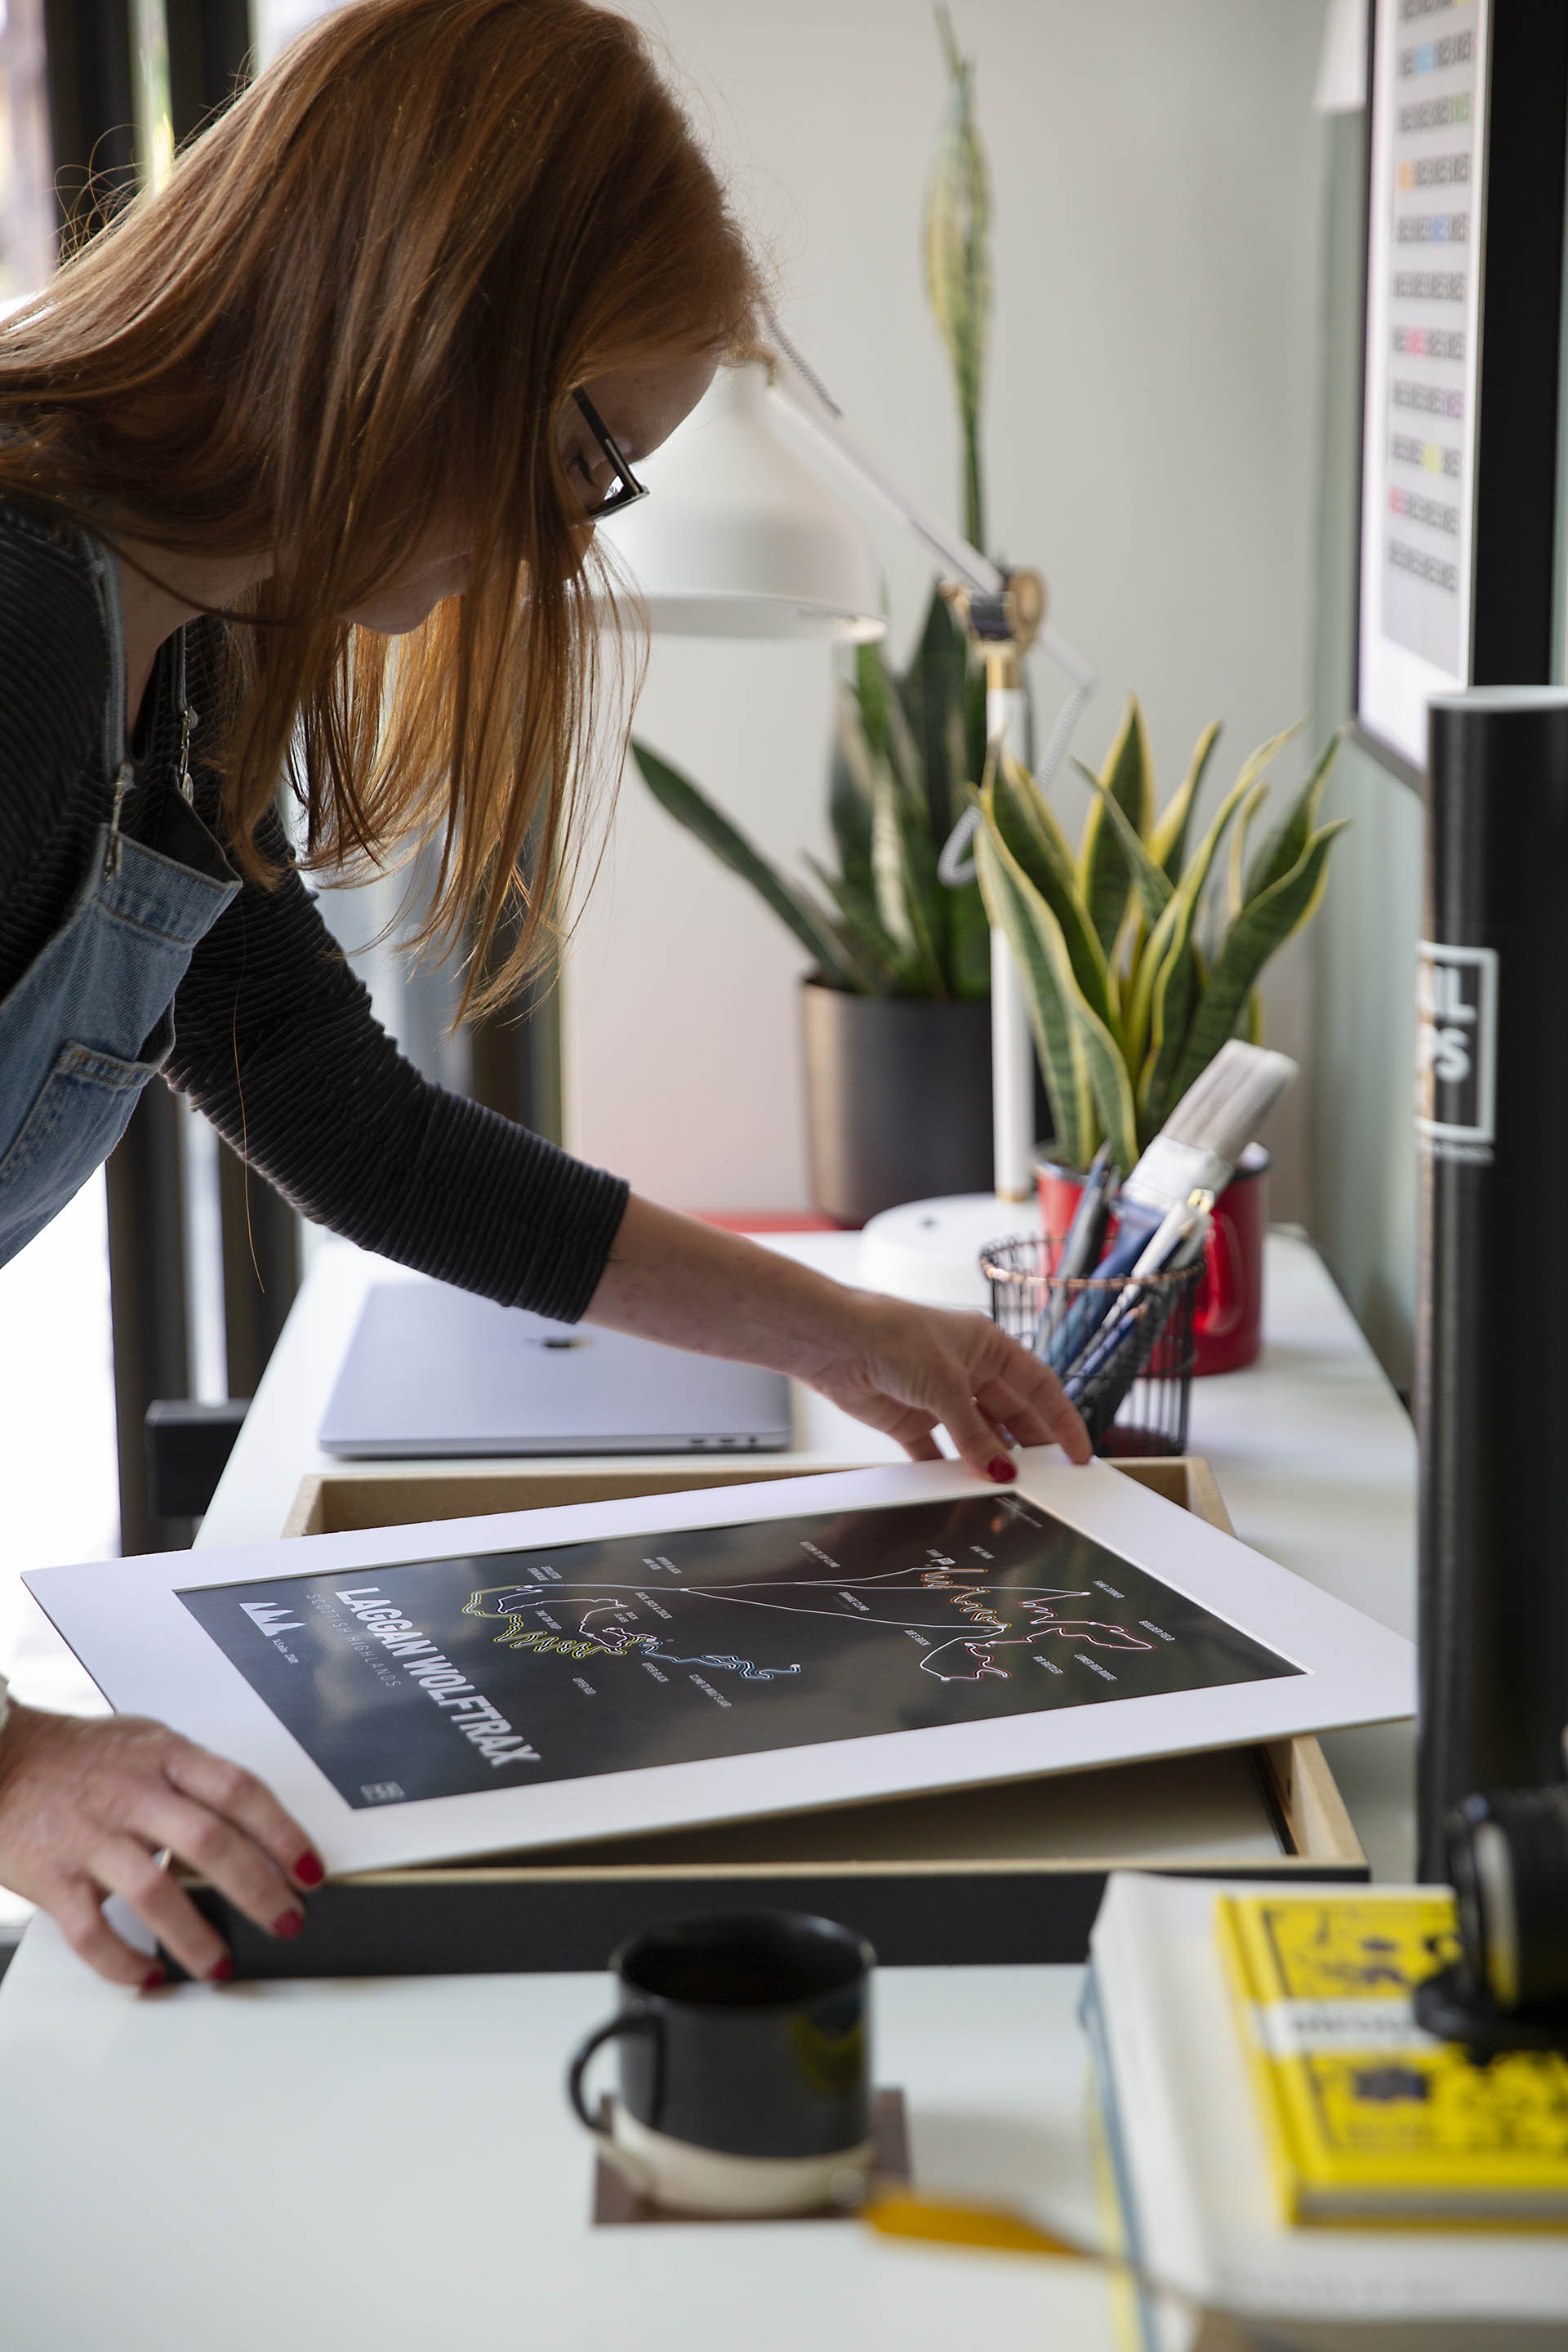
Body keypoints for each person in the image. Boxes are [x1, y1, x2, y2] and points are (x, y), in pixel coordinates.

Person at [0, 0, 1088, 1989]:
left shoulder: (178, 655)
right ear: (434, 323)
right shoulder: (15, 632)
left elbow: (355, 1126)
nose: (560, 546)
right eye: (590, 459)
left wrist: (849, 1335)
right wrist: (12, 1770)